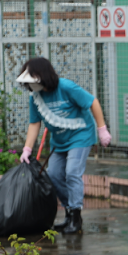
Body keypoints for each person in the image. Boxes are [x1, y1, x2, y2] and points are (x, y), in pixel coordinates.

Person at [18, 58, 111, 234]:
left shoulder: (66, 87)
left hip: (80, 135)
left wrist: (102, 129)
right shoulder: (35, 98)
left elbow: (93, 102)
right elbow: (34, 124)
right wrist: (27, 149)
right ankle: (70, 213)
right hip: (59, 141)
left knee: (72, 172)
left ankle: (76, 216)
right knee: (53, 175)